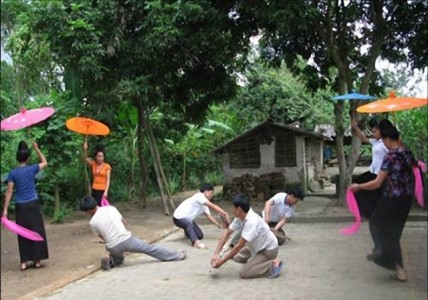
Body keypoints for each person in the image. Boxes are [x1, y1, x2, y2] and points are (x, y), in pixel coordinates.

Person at [349, 119, 417, 282]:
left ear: (387, 139)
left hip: (392, 198)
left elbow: (377, 183)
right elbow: (416, 167)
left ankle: (381, 251)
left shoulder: (390, 157)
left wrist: (359, 186)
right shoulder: (407, 153)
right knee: (393, 233)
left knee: (376, 222)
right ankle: (398, 269)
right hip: (406, 199)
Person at [79, 196, 186, 270]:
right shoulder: (111, 208)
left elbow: (103, 237)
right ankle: (176, 256)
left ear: (88, 210)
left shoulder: (92, 222)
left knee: (119, 259)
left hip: (113, 246)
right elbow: (123, 222)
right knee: (149, 248)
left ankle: (111, 261)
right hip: (126, 239)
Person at [210, 194, 283, 279]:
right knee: (236, 257)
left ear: (239, 209)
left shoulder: (251, 222)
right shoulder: (240, 217)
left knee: (245, 272)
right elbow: (227, 233)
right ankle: (257, 260)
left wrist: (221, 263)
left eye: (234, 208)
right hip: (255, 245)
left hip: (268, 250)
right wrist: (216, 253)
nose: (232, 210)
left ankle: (272, 265)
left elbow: (238, 246)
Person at [2, 141, 49, 271]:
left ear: (17, 158)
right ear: (28, 157)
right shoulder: (32, 168)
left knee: (22, 233)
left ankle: (24, 262)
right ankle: (37, 260)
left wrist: (5, 209)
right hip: (33, 204)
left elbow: (9, 191)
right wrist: (37, 149)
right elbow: (45, 162)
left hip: (20, 206)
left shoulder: (13, 173)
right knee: (36, 230)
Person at [172, 183, 230, 249]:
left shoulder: (204, 204)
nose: (212, 195)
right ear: (205, 192)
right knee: (189, 224)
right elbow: (213, 206)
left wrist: (218, 225)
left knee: (200, 235)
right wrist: (225, 214)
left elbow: (209, 216)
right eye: (211, 193)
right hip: (178, 218)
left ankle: (188, 233)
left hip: (188, 219)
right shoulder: (199, 196)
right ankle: (196, 242)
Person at [83, 141, 111, 206]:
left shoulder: (107, 166)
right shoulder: (93, 164)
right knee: (95, 206)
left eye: (102, 157)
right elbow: (85, 158)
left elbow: (108, 180)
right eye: (99, 156)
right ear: (96, 157)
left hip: (103, 189)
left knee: (103, 206)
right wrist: (85, 149)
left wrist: (106, 191)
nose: (101, 158)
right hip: (94, 189)